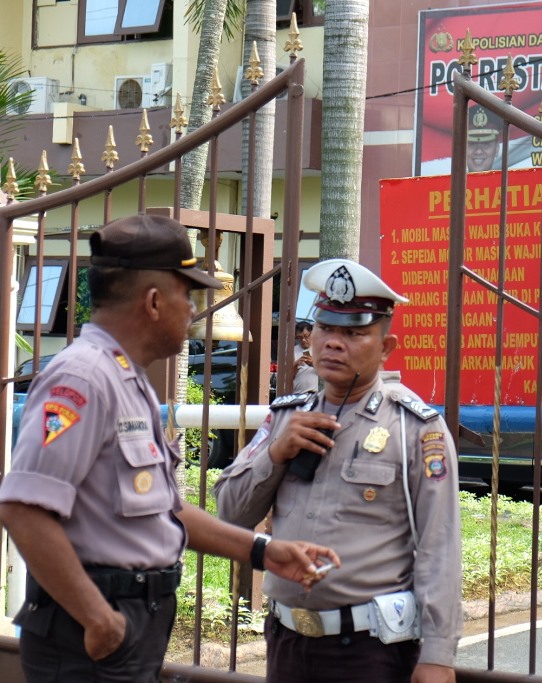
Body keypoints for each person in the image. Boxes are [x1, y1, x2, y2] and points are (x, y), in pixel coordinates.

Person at [0, 214, 338, 683]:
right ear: (154, 301)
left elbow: (165, 511)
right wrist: (98, 618)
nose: (194, 310)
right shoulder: (82, 379)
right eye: (188, 295)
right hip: (90, 630)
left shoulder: (126, 379)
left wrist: (263, 551)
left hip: (127, 622)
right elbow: (23, 509)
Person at [215, 258, 463, 683]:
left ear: (385, 347)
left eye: (353, 333)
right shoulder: (286, 418)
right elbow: (230, 513)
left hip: (369, 650)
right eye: (325, 328)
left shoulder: (414, 428)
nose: (333, 343)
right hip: (287, 641)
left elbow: (439, 545)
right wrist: (276, 453)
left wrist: (438, 654)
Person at [467, 104, 500, 172]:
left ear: (497, 148)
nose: (478, 151)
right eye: (472, 144)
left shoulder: (510, 179)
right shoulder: (448, 179)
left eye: (486, 144)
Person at [292, 320, 319, 393]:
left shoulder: (318, 349)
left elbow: (326, 373)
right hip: (297, 393)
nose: (303, 340)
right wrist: (296, 364)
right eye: (300, 337)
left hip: (314, 393)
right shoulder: (293, 351)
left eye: (306, 336)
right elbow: (288, 377)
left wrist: (313, 363)